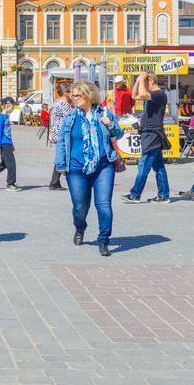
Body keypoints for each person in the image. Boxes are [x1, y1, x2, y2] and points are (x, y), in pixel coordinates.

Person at [55, 80, 124, 257]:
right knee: (80, 206)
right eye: (73, 95)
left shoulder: (104, 113)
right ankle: (80, 227)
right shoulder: (71, 117)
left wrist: (110, 124)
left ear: (88, 95)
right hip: (76, 168)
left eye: (77, 95)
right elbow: (62, 142)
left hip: (103, 165)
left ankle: (103, 240)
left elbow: (119, 134)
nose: (74, 98)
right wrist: (61, 164)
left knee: (104, 204)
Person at [121, 73, 170, 203]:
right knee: (159, 167)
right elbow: (134, 96)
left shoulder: (159, 94)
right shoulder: (153, 95)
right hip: (149, 133)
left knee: (144, 165)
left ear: (151, 81)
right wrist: (138, 81)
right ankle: (164, 195)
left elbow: (142, 94)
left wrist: (142, 80)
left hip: (152, 134)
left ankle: (135, 194)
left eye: (145, 82)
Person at [48, 85, 73, 190]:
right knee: (64, 155)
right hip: (62, 133)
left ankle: (55, 182)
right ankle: (55, 182)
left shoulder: (57, 102)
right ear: (66, 93)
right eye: (70, 92)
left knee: (62, 156)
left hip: (57, 132)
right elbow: (71, 117)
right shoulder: (64, 104)